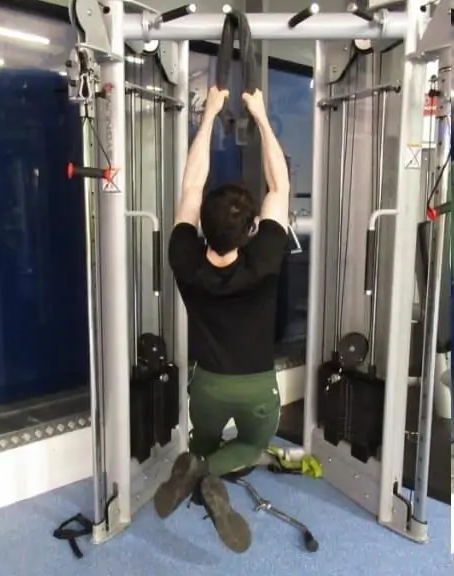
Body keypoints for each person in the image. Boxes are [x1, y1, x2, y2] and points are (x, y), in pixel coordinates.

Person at [151, 85, 291, 554]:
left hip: (206, 384)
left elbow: (192, 186)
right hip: (254, 387)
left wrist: (208, 114)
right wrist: (262, 117)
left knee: (202, 440)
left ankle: (195, 465)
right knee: (252, 444)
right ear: (251, 230)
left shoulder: (184, 257)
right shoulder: (266, 257)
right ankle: (208, 473)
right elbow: (279, 186)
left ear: (202, 227)